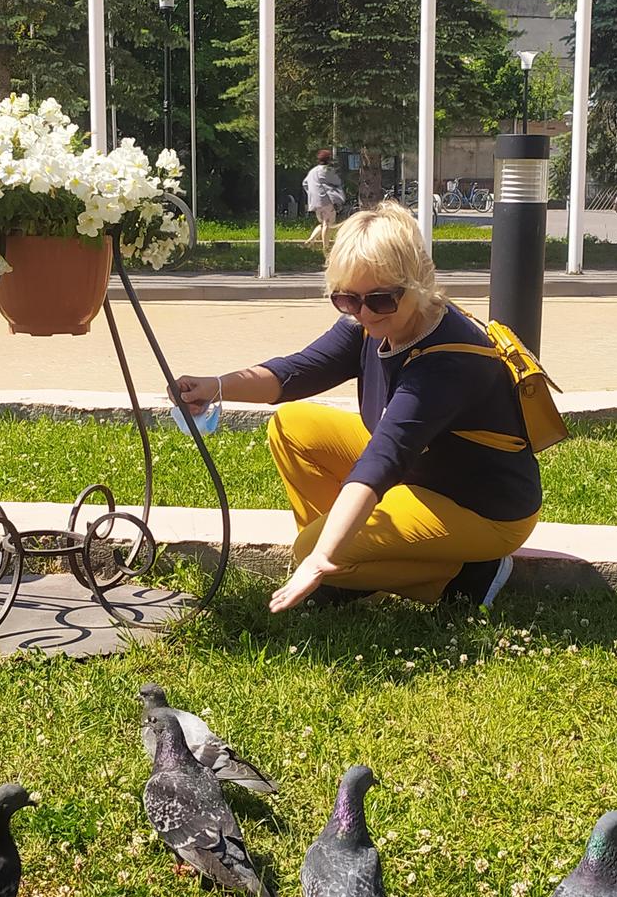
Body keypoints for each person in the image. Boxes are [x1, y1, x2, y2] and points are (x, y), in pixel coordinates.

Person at [174, 202, 542, 614]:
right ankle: (348, 570)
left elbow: (382, 460)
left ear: (418, 283)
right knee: (292, 425)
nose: (363, 312)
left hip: (482, 508)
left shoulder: (445, 362)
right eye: (346, 298)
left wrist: (320, 557)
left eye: (380, 299)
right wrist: (216, 386)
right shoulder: (372, 321)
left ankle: (465, 576)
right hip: (422, 477)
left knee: (312, 548)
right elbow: (297, 372)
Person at [303, 149, 346, 250]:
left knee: (323, 223)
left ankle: (311, 240)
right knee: (328, 223)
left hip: (315, 202)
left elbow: (305, 183)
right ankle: (325, 247)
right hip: (327, 201)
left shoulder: (312, 171)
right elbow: (337, 182)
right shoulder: (328, 170)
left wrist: (312, 193)